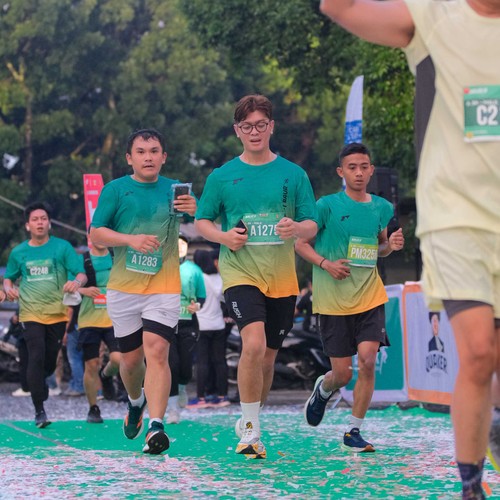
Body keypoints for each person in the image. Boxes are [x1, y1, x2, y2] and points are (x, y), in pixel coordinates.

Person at [319, 1, 499, 497]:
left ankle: (493, 425)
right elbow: (339, 7)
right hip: (455, 219)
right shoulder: (433, 16)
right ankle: (471, 487)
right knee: (478, 352)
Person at [195, 94, 318, 459]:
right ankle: (250, 432)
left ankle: (251, 417)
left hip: (281, 279)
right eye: (247, 126)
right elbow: (202, 221)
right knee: (252, 344)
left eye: (260, 124)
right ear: (237, 130)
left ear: (271, 127)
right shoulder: (221, 176)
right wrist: (224, 237)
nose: (254, 132)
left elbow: (312, 224)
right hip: (240, 272)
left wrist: (296, 228)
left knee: (266, 358)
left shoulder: (294, 175)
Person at [89, 128, 196, 455]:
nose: (148, 157)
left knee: (158, 351)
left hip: (164, 286)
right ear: (129, 158)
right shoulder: (115, 190)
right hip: (124, 288)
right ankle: (136, 402)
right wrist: (130, 240)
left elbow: (206, 219)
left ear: (164, 157)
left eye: (154, 151)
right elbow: (96, 234)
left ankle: (156, 426)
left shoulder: (175, 191)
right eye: (141, 152)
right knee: (132, 361)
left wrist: (196, 208)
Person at [296, 142, 404, 452]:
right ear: (340, 172)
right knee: (342, 374)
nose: (358, 173)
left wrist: (391, 246)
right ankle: (324, 387)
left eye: (364, 167)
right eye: (352, 167)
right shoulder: (326, 206)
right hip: (333, 301)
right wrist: (326, 264)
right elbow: (300, 244)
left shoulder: (382, 207)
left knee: (368, 360)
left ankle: (353, 431)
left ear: (371, 170)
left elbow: (379, 248)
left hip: (370, 296)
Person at [3, 201, 87, 428]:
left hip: (57, 314)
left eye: (43, 219)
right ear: (27, 225)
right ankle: (39, 410)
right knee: (36, 355)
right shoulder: (19, 252)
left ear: (49, 223)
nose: (39, 223)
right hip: (30, 313)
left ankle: (40, 385)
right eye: (35, 219)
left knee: (49, 362)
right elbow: (9, 277)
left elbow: (81, 274)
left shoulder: (62, 248)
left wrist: (76, 283)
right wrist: (8, 288)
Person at [77, 243, 120, 423]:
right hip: (89, 319)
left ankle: (106, 375)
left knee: (118, 359)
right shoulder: (82, 260)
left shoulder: (116, 256)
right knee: (91, 364)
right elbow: (68, 286)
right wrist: (83, 290)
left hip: (114, 317)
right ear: (90, 236)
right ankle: (93, 407)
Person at [166, 235, 206, 424]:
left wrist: (196, 306)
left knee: (186, 368)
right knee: (171, 365)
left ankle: (182, 387)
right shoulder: (163, 267)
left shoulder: (194, 270)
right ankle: (173, 409)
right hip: (166, 322)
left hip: (188, 323)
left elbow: (201, 297)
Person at [189, 248, 230, 408]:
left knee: (202, 362)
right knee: (220, 361)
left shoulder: (199, 278)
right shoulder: (218, 278)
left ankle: (201, 398)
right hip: (218, 324)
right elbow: (224, 298)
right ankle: (223, 396)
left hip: (202, 324)